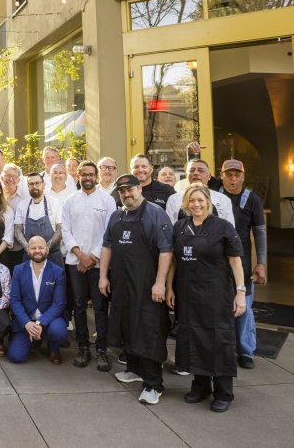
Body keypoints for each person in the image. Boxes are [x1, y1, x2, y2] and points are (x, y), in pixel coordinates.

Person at [168, 184, 246, 413]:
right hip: (188, 294)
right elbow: (173, 261)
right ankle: (200, 385)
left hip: (216, 294)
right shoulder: (180, 227)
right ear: (186, 204)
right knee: (193, 337)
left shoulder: (223, 227)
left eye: (200, 200)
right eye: (192, 200)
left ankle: (223, 391)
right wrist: (169, 288)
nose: (196, 204)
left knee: (218, 340)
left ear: (208, 202)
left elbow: (235, 261)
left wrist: (240, 292)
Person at [98, 174, 174, 405]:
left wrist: (160, 282)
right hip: (122, 283)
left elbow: (166, 250)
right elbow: (107, 246)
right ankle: (134, 369)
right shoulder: (117, 215)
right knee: (126, 326)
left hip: (147, 286)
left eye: (130, 189)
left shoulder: (155, 214)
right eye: (122, 191)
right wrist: (103, 277)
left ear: (139, 188)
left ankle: (154, 384)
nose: (126, 194)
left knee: (148, 330)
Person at [61, 160, 116, 371]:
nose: (87, 177)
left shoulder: (107, 201)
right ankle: (83, 347)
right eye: (83, 174)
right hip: (75, 263)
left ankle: (101, 350)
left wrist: (91, 257)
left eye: (91, 174)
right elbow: (66, 231)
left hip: (99, 263)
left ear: (97, 175)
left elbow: (109, 232)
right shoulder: (70, 201)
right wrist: (79, 254)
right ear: (78, 176)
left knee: (101, 307)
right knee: (79, 306)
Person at [219, 159, 267, 370]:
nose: (233, 178)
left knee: (244, 307)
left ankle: (246, 351)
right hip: (217, 263)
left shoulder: (252, 200)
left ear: (243, 176)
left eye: (237, 174)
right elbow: (195, 174)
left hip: (243, 263)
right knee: (220, 307)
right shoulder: (214, 195)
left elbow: (259, 233)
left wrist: (262, 263)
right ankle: (223, 348)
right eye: (229, 174)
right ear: (221, 175)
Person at [7, 236, 69, 364]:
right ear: (28, 250)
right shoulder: (19, 270)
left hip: (50, 319)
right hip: (28, 320)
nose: (37, 250)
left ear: (47, 249)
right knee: (15, 356)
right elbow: (15, 301)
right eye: (33, 248)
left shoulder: (58, 272)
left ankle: (54, 348)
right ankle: (36, 339)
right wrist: (27, 323)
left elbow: (59, 304)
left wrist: (40, 323)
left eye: (40, 247)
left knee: (58, 332)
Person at [13, 172, 64, 266]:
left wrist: (47, 247)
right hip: (30, 256)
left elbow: (61, 229)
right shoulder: (22, 205)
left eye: (37, 183)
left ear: (43, 185)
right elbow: (17, 229)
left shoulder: (54, 203)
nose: (34, 186)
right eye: (31, 184)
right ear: (28, 186)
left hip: (52, 255)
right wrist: (27, 247)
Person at [165, 160, 236, 224]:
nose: (195, 173)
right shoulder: (174, 199)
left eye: (201, 170)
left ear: (209, 176)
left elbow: (229, 228)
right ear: (186, 176)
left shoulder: (223, 199)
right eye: (192, 170)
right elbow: (170, 229)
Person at [0, 163, 28, 266]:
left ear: (19, 180)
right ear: (2, 178)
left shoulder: (26, 197)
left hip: (17, 247)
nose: (10, 179)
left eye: (14, 176)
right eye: (7, 176)